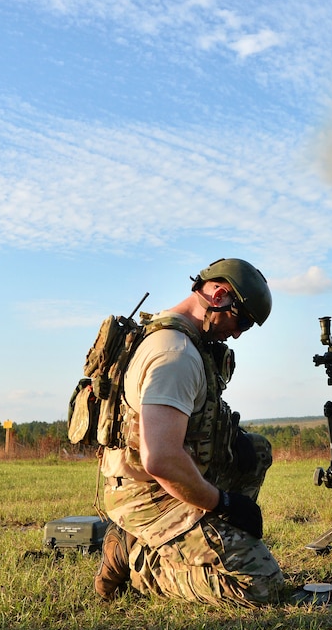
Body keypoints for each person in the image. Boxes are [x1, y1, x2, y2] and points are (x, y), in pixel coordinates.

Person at [93, 258, 285, 607]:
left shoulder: (186, 341)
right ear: (220, 296)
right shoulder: (175, 355)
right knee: (260, 584)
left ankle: (212, 538)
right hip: (147, 496)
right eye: (240, 319)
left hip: (165, 478)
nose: (239, 333)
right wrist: (224, 503)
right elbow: (161, 458)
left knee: (255, 451)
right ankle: (135, 556)